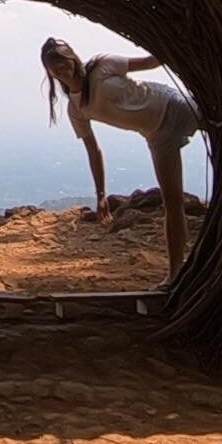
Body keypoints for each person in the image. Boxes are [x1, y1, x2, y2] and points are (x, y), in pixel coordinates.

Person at [40, 37, 202, 279]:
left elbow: (150, 62)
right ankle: (176, 273)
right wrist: (101, 195)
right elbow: (93, 151)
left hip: (173, 106)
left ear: (73, 56)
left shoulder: (103, 65)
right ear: (49, 72)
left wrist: (181, 43)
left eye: (64, 59)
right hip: (156, 135)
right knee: (172, 202)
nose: (61, 67)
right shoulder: (76, 109)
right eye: (54, 64)